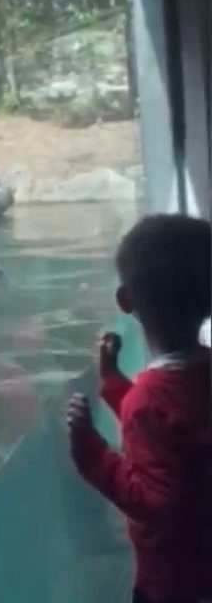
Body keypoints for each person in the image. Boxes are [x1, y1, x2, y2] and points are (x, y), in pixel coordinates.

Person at [66, 214, 212, 603]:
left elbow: (154, 502)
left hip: (170, 583)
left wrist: (91, 453)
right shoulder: (202, 372)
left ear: (125, 300)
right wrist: (114, 381)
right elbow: (172, 429)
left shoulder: (148, 398)